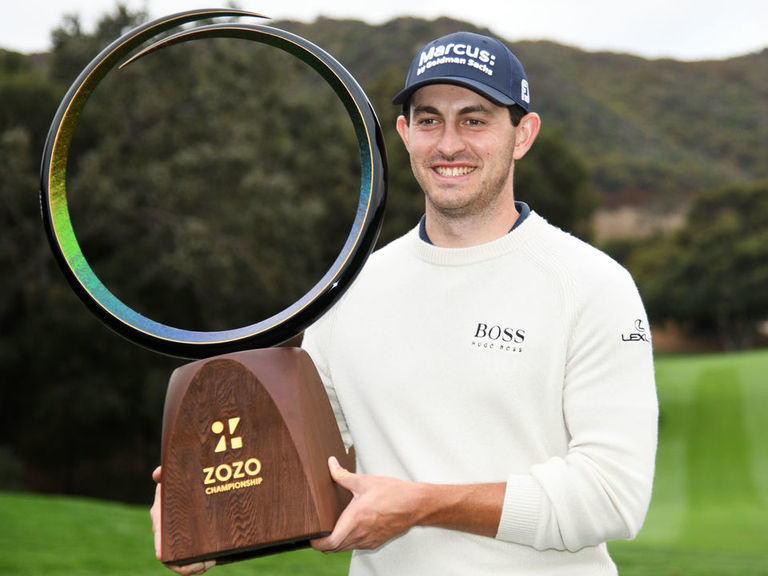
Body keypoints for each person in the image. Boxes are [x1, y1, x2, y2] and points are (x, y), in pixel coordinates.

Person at [151, 30, 658, 576]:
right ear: (404, 133)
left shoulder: (592, 284)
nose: (448, 144)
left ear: (523, 134)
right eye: (428, 119)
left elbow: (613, 495)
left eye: (475, 119)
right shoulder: (350, 290)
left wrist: (423, 504)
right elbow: (311, 465)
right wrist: (205, 508)